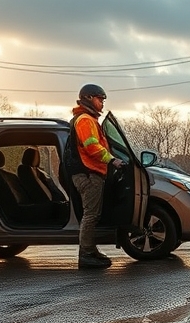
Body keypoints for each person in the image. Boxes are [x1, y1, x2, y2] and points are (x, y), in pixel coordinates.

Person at [67, 83, 125, 269]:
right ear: (89, 98)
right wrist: (112, 160)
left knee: (93, 214)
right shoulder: (85, 120)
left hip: (92, 173)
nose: (102, 103)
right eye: (100, 99)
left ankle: (91, 250)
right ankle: (85, 254)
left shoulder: (88, 119)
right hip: (88, 174)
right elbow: (91, 146)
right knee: (91, 215)